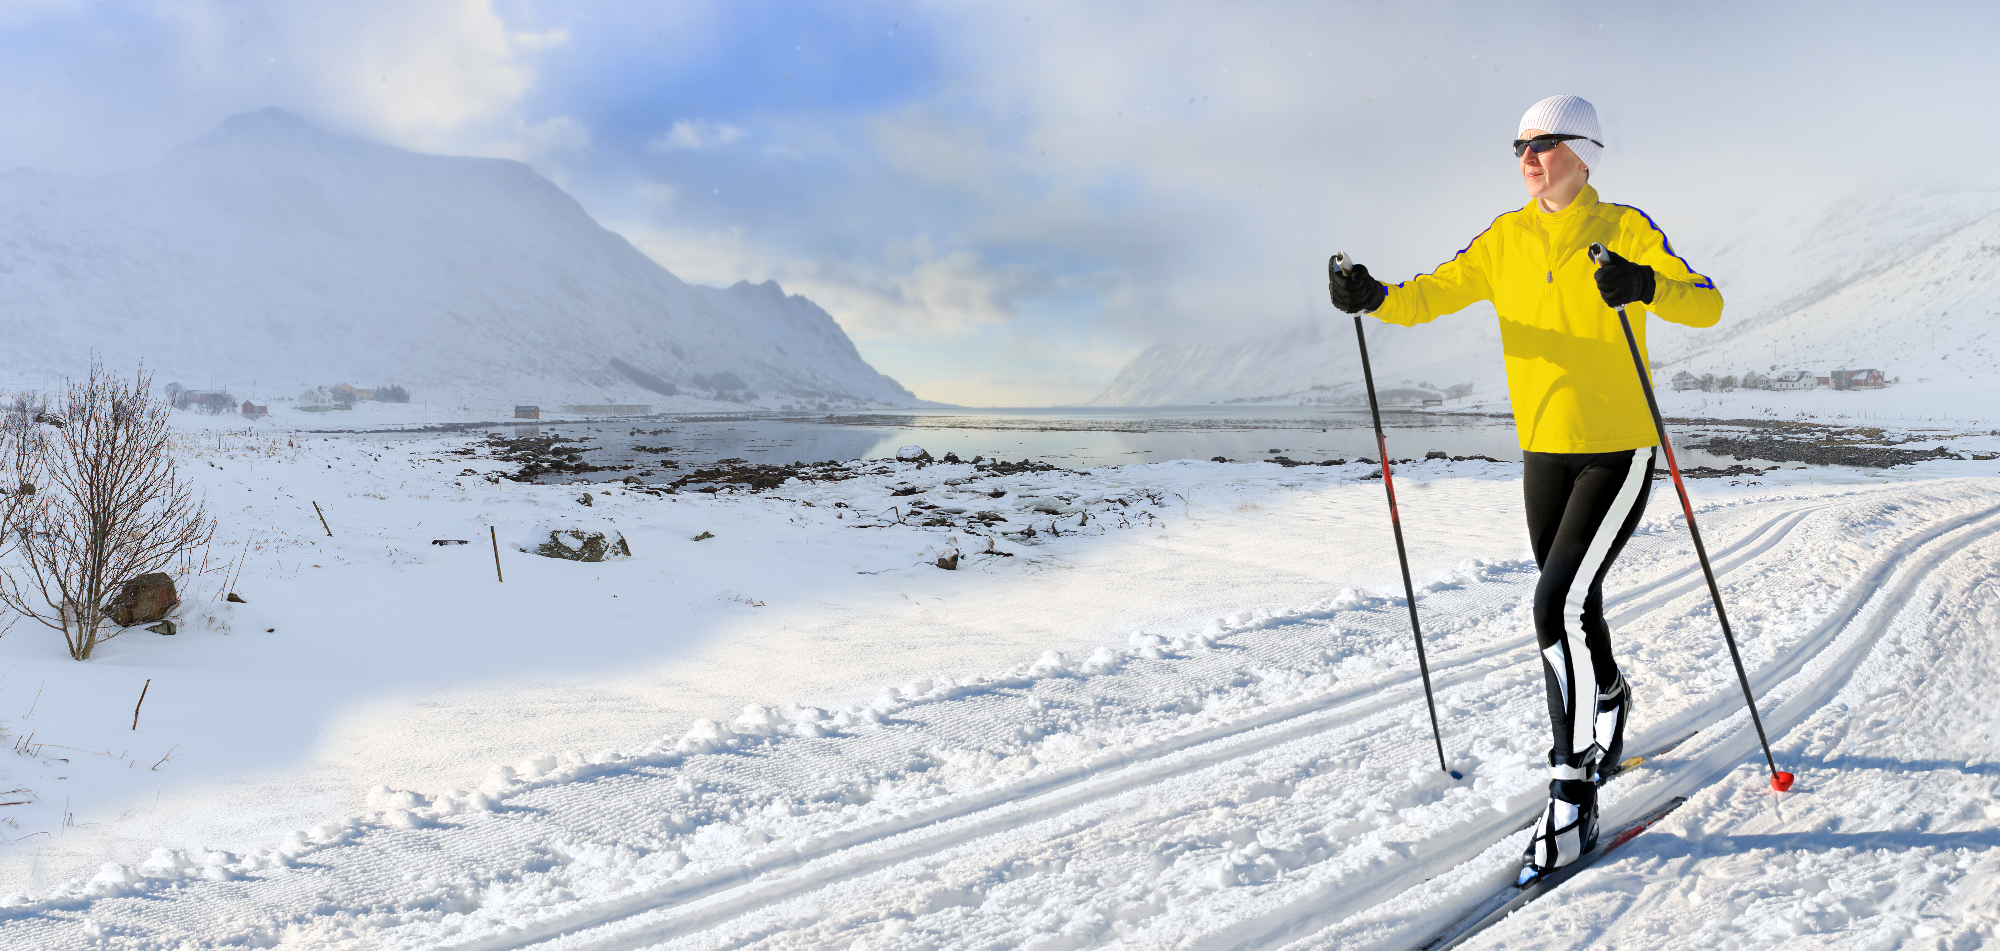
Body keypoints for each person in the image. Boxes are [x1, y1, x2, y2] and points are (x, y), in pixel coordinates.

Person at [1325, 95, 1723, 877]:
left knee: (1553, 605)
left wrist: (1644, 284)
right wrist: (1372, 296)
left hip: (1619, 449)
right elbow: (1428, 295)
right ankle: (1609, 695)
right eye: (1519, 146)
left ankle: (1572, 793)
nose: (1527, 158)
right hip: (1543, 452)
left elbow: (1705, 302)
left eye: (1542, 144)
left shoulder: (1627, 229)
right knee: (1577, 599)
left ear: (1584, 153)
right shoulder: (1505, 239)